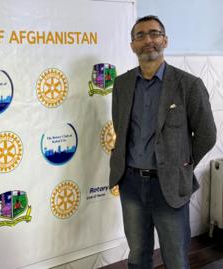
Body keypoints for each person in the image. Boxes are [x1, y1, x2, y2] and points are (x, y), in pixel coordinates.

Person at [109, 15, 216, 268]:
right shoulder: (121, 84)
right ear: (132, 45)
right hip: (131, 185)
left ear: (165, 40)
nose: (148, 40)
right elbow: (120, 128)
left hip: (169, 187)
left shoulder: (189, 85)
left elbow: (207, 135)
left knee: (176, 259)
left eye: (155, 34)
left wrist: (181, 164)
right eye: (140, 35)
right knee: (137, 257)